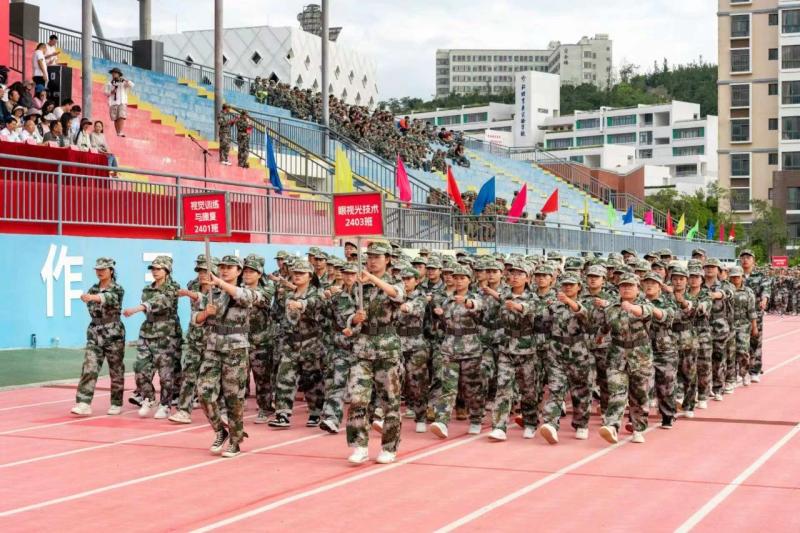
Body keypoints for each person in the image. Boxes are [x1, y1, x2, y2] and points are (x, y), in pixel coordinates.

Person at [194, 255, 266, 458]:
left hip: (235, 349)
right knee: (204, 393)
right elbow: (196, 319)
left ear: (239, 271)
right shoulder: (212, 293)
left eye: (230, 267)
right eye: (222, 267)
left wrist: (220, 283)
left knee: (234, 397)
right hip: (213, 347)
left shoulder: (246, 290)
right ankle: (220, 430)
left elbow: (247, 298)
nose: (225, 270)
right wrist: (205, 313)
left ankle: (235, 440)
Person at [345, 241, 406, 465]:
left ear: (387, 259)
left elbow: (397, 296)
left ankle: (389, 447)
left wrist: (372, 278)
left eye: (377, 257)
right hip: (363, 348)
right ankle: (359, 446)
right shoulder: (358, 286)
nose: (372, 261)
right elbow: (349, 315)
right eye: (369, 257)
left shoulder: (395, 281)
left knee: (390, 401)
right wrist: (354, 319)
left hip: (387, 348)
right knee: (358, 399)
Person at [596, 273, 654, 445]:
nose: (626, 288)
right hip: (616, 355)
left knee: (639, 395)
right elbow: (605, 326)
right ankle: (611, 426)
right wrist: (599, 337)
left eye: (630, 286)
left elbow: (644, 313)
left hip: (640, 356)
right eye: (623, 286)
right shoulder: (611, 308)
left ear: (638, 288)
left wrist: (631, 307)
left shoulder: (646, 304)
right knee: (617, 392)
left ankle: (638, 428)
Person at [268, 259, 326, 429]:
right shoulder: (288, 294)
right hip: (290, 343)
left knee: (311, 379)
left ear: (310, 276)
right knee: (284, 377)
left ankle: (315, 413)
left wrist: (301, 304)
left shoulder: (317, 293)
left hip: (310, 343)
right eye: (295, 273)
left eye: (301, 273)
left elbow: (315, 302)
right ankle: (282, 414)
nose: (297, 276)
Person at [122, 255, 181, 419]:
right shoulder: (147, 289)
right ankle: (148, 398)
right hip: (147, 332)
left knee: (165, 373)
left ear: (167, 270)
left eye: (158, 269)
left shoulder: (173, 287)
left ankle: (165, 405)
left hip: (167, 334)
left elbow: (159, 301)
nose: (155, 272)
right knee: (140, 368)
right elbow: (150, 304)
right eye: (153, 269)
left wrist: (137, 308)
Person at [430, 264, 484, 439]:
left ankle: (476, 419)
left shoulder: (476, 297)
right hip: (449, 348)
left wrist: (467, 303)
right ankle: (442, 421)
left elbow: (478, 307)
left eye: (462, 278)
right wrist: (440, 315)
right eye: (456, 278)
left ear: (469, 280)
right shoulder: (447, 301)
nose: (459, 281)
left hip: (470, 349)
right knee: (448, 387)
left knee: (471, 387)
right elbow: (444, 324)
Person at [488, 258, 537, 441]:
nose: (515, 277)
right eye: (512, 273)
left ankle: (530, 422)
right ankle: (499, 427)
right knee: (503, 387)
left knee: (528, 389)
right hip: (506, 347)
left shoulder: (534, 297)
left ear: (527, 278)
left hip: (526, 349)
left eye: (520, 274)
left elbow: (534, 309)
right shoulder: (504, 295)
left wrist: (519, 306)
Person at [538, 273, 591, 444]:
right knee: (555, 388)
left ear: (579, 287)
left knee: (580, 390)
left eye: (571, 285)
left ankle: (581, 424)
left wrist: (569, 302)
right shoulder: (553, 306)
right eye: (565, 285)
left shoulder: (586, 302)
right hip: (556, 351)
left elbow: (586, 318)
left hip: (578, 352)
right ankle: (550, 424)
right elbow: (543, 325)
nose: (567, 287)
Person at [70, 258, 126, 416]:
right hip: (95, 333)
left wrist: (93, 297)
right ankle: (83, 403)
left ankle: (116, 403)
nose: (99, 272)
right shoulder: (93, 288)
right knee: (89, 367)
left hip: (113, 333)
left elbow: (108, 298)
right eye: (97, 269)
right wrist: (90, 297)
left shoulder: (117, 289)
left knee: (116, 370)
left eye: (103, 269)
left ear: (111, 271)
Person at [169, 255, 218, 424]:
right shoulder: (193, 285)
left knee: (214, 378)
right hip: (195, 338)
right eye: (200, 271)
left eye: (205, 270)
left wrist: (191, 294)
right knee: (189, 374)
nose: (202, 274)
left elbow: (209, 302)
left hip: (215, 340)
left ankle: (221, 411)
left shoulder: (221, 289)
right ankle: (183, 410)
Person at [320, 261, 359, 434]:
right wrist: (325, 297)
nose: (349, 277)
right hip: (341, 345)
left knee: (364, 386)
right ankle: (332, 418)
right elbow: (325, 316)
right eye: (346, 273)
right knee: (337, 382)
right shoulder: (337, 295)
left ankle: (374, 416)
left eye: (352, 273)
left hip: (362, 346)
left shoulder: (365, 295)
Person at [241, 254, 276, 424]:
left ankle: (266, 407)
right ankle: (236, 406)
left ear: (259, 274)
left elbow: (260, 299)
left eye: (251, 271)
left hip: (261, 340)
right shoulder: (238, 287)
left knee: (261, 377)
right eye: (245, 271)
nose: (247, 274)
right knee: (238, 376)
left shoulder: (267, 289)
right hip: (240, 339)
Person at [739, 249, 770, 382]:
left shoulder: (761, 276)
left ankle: (755, 371)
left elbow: (766, 289)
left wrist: (765, 299)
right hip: (739, 315)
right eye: (743, 258)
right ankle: (741, 371)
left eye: (748, 257)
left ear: (753, 261)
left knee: (755, 342)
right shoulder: (735, 275)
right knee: (739, 343)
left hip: (756, 314)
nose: (745, 260)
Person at [728, 266, 758, 385]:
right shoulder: (725, 290)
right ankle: (732, 375)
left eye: (738, 277)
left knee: (743, 351)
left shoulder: (748, 291)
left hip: (743, 325)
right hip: (728, 325)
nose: (735, 279)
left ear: (742, 277)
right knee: (730, 352)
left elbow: (752, 310)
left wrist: (754, 327)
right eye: (733, 277)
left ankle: (744, 373)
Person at [104, 67, 134, 137]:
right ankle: (118, 132)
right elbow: (105, 93)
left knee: (121, 116)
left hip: (122, 101)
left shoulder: (123, 82)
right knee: (115, 118)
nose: (114, 74)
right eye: (113, 73)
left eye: (115, 73)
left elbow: (132, 85)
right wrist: (111, 92)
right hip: (113, 102)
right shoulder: (109, 83)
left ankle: (120, 131)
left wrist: (124, 80)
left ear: (119, 74)